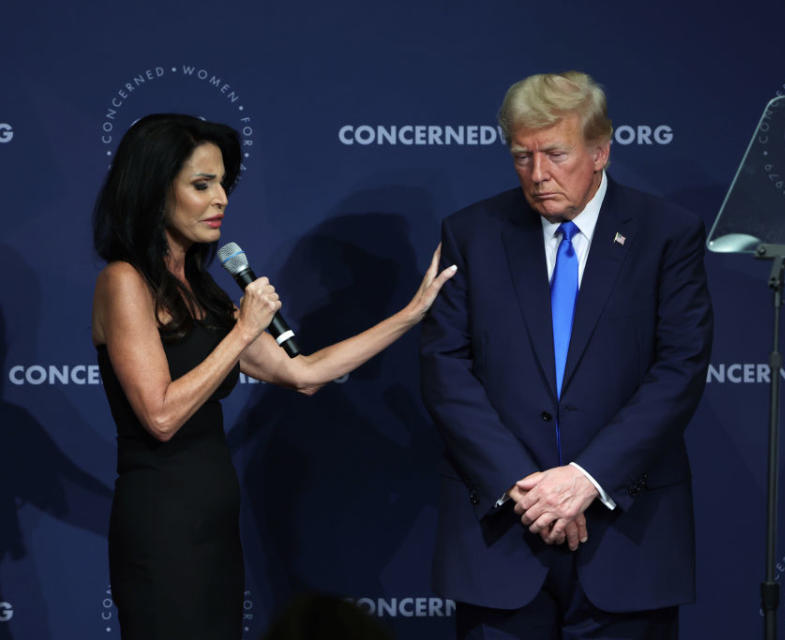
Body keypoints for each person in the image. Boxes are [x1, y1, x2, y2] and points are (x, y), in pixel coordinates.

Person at [91, 113, 456, 639]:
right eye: (202, 185)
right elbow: (161, 414)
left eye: (222, 184)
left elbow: (304, 373)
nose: (221, 199)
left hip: (215, 530)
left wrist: (412, 313)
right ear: (153, 190)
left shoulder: (202, 290)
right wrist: (241, 332)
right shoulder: (124, 281)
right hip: (161, 531)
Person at [420, 72, 713, 639]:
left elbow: (679, 370)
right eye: (522, 156)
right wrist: (524, 486)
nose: (537, 174)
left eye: (555, 154)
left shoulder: (666, 234)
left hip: (627, 536)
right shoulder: (472, 233)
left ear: (601, 151)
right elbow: (445, 370)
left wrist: (586, 479)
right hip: (503, 534)